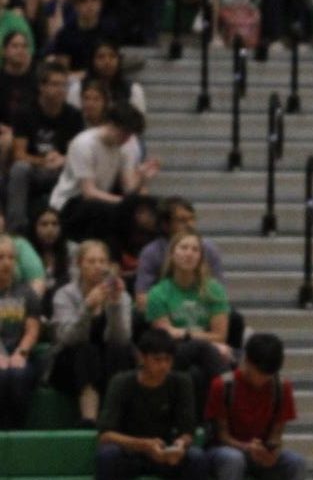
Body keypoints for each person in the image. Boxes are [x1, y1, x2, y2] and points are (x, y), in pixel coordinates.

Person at [87, 327, 207, 480]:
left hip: (165, 455)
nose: (163, 366)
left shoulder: (181, 382)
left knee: (196, 459)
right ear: (142, 358)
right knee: (106, 457)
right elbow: (106, 435)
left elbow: (187, 431)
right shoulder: (122, 382)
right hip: (132, 454)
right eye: (157, 360)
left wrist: (180, 447)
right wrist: (143, 445)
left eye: (168, 360)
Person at [202, 331, 305, 480]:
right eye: (259, 374)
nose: (262, 381)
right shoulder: (223, 385)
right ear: (246, 361)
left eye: (268, 376)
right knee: (232, 459)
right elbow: (222, 434)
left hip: (259, 450)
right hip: (227, 449)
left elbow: (277, 433)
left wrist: (272, 451)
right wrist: (247, 448)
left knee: (296, 463)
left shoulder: (281, 387)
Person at [49, 240, 134, 424]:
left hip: (107, 363)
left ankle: (115, 416)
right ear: (80, 264)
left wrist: (115, 305)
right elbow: (67, 338)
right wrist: (87, 307)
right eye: (91, 261)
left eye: (102, 261)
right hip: (69, 363)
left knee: (121, 351)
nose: (98, 266)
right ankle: (89, 418)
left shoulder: (121, 295)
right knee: (86, 351)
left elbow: (121, 339)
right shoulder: (64, 295)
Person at [48, 105, 158, 246]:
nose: (126, 139)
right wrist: (125, 204)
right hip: (70, 202)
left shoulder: (124, 146)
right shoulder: (84, 144)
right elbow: (89, 192)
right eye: (124, 134)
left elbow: (129, 189)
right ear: (111, 125)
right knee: (105, 210)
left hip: (101, 198)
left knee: (149, 205)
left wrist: (142, 178)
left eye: (129, 135)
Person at [146, 230, 234, 399]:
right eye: (184, 247)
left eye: (195, 250)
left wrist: (184, 334)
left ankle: (208, 421)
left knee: (197, 374)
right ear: (172, 254)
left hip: (206, 354)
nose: (189, 253)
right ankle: (229, 391)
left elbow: (220, 336)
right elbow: (166, 337)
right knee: (202, 348)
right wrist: (204, 341)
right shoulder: (158, 293)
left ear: (201, 257)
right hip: (172, 354)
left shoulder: (213, 289)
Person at [5, 59, 83, 234]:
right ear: (42, 86)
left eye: (64, 85)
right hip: (34, 169)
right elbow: (19, 154)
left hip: (61, 170)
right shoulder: (25, 112)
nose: (61, 90)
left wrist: (62, 159)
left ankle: (69, 230)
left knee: (79, 171)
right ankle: (16, 229)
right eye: (55, 84)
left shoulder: (74, 115)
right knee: (19, 169)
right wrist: (43, 161)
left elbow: (76, 153)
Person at [134, 197, 226, 310]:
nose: (190, 225)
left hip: (200, 309)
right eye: (182, 220)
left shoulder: (209, 249)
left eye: (192, 219)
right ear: (165, 225)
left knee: (234, 319)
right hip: (163, 310)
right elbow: (142, 298)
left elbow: (219, 294)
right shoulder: (151, 253)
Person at [0, 234, 42, 426]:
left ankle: (17, 430)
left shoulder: (27, 293)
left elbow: (32, 329)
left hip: (20, 352)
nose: (6, 263)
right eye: (0, 257)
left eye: (10, 258)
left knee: (18, 375)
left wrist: (21, 353)